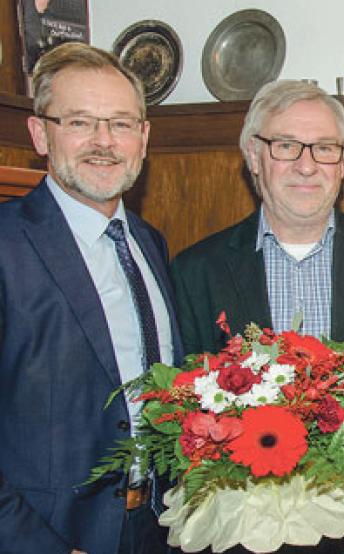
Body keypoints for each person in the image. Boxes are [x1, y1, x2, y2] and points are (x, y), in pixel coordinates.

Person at [168, 80, 344, 554]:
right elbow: (185, 422)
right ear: (254, 157)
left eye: (325, 148)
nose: (307, 164)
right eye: (286, 145)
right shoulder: (197, 270)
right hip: (243, 534)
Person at [0, 42, 182, 553]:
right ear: (40, 133)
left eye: (121, 124)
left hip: (158, 528)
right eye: (80, 122)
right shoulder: (7, 244)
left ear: (143, 138)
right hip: (47, 535)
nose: (104, 141)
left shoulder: (149, 243)